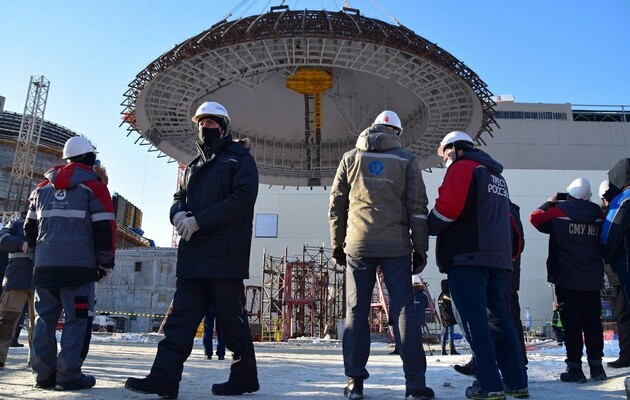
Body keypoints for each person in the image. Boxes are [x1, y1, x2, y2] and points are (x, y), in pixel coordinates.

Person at [125, 101, 260, 398]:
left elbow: (242, 200)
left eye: (211, 123)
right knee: (179, 324)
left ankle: (244, 378)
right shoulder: (193, 166)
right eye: (201, 123)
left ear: (223, 127)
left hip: (224, 259)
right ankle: (163, 379)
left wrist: (199, 221)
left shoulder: (239, 159)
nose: (205, 128)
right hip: (193, 259)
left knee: (232, 325)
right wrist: (177, 215)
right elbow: (178, 198)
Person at [329, 110, 434, 400]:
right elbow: (417, 209)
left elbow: (336, 206)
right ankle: (415, 386)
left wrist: (337, 244)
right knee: (403, 311)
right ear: (397, 132)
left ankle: (354, 383)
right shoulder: (407, 159)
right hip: (396, 246)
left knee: (355, 311)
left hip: (358, 245)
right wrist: (420, 249)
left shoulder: (350, 158)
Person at [428, 131, 528, 399]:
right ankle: (517, 382)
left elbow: (447, 209)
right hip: (499, 261)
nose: (445, 160)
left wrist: (428, 224)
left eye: (445, 154)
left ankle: (489, 385)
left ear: (455, 148)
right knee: (500, 318)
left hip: (468, 257)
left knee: (474, 321)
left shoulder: (464, 168)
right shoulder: (497, 177)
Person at [24, 135, 116, 390]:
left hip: (45, 268)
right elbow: (105, 229)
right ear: (89, 157)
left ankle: (43, 375)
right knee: (76, 320)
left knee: (44, 320)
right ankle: (68, 376)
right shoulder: (94, 187)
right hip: (79, 269)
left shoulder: (40, 189)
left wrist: (37, 258)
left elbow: (29, 229)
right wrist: (105, 264)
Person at [530, 177, 606, 383]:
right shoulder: (599, 215)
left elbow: (535, 218)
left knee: (572, 324)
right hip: (592, 279)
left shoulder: (558, 212)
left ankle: (575, 369)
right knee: (593, 323)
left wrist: (549, 202)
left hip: (566, 278)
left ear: (569, 194)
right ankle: (597, 367)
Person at [599, 178, 630, 368]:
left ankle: (626, 355)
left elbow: (609, 238)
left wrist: (606, 257)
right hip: (619, 270)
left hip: (621, 269)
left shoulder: (620, 204)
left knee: (624, 314)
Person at [0, 212, 35, 369]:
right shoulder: (16, 223)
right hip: (16, 280)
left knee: (40, 324)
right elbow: (2, 239)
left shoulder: (49, 221)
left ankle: (37, 360)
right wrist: (22, 244)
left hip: (40, 281)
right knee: (7, 320)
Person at [437, 279, 458, 356]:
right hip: (449, 317)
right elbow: (454, 302)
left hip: (443, 317)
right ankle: (451, 348)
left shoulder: (440, 296)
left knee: (444, 333)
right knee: (450, 333)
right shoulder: (447, 295)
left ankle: (443, 349)